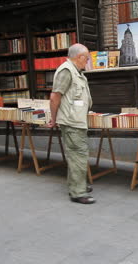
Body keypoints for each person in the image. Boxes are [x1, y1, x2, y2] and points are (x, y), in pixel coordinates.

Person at [49, 43, 95, 204]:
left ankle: (77, 184)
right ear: (79, 57)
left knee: (77, 155)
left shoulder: (77, 72)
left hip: (76, 121)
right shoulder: (67, 71)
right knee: (78, 155)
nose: (87, 62)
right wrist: (53, 119)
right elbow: (55, 97)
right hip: (71, 122)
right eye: (87, 59)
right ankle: (77, 192)